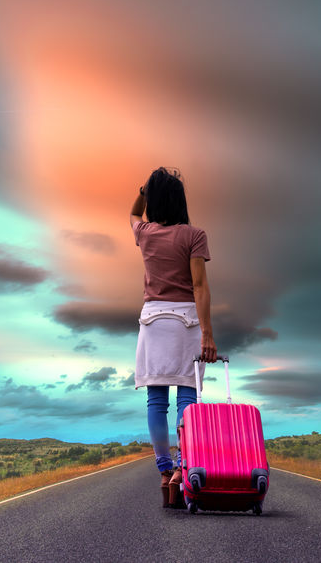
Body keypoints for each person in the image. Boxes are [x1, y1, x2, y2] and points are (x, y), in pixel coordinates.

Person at [129, 167, 217, 508]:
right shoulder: (195, 235)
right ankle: (183, 467)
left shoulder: (145, 233)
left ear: (154, 199)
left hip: (152, 320)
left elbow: (133, 212)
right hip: (186, 322)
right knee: (187, 400)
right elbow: (200, 286)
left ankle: (165, 473)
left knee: (155, 401)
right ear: (180, 200)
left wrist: (142, 190)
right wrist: (207, 334)